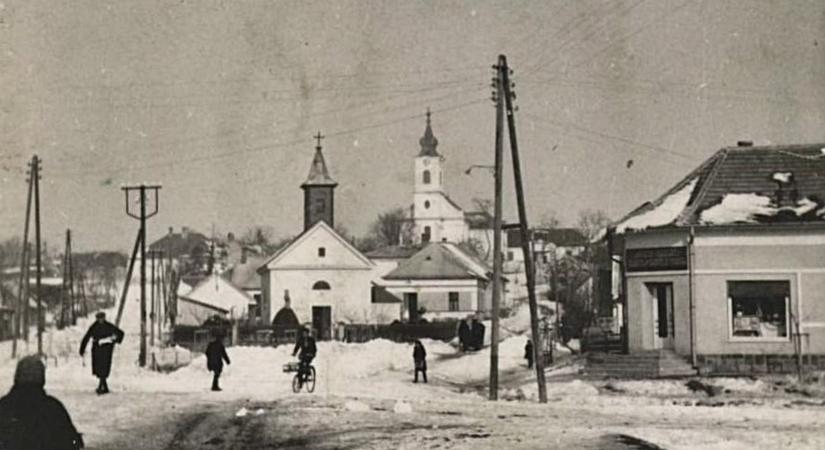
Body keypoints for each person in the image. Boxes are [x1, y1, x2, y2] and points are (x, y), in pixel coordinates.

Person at [0, 355, 85, 449]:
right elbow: (72, 442)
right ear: (42, 378)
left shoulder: (4, 407)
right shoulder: (53, 409)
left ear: (16, 377)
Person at [79, 312, 125, 394]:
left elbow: (120, 333)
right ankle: (104, 386)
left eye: (102, 318)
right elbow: (87, 337)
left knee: (104, 368)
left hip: (106, 350)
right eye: (99, 318)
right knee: (99, 368)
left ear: (104, 318)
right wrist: (82, 349)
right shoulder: (94, 326)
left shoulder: (109, 326)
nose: (100, 320)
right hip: (97, 350)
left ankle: (101, 386)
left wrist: (114, 340)